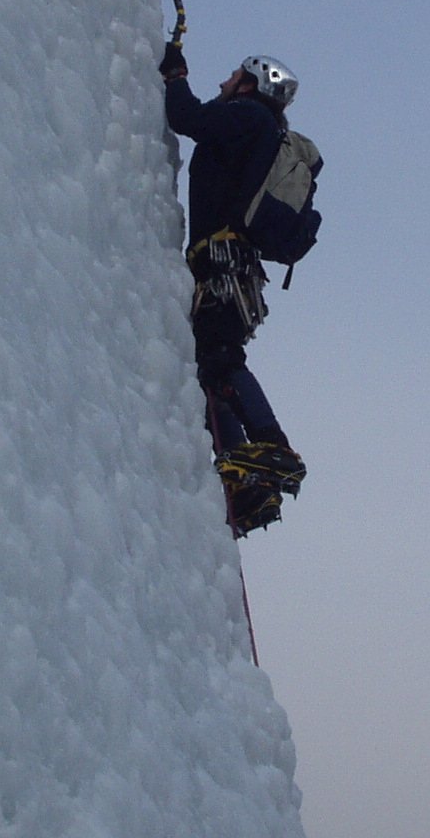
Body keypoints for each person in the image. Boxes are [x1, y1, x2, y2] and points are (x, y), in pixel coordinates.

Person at [160, 40, 306, 532]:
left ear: (250, 84)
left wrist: (175, 74)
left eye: (232, 75)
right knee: (210, 367)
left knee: (220, 358)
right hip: (228, 267)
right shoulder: (259, 128)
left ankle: (271, 445)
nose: (224, 82)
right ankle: (247, 476)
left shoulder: (247, 116)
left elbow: (188, 119)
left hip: (223, 264)